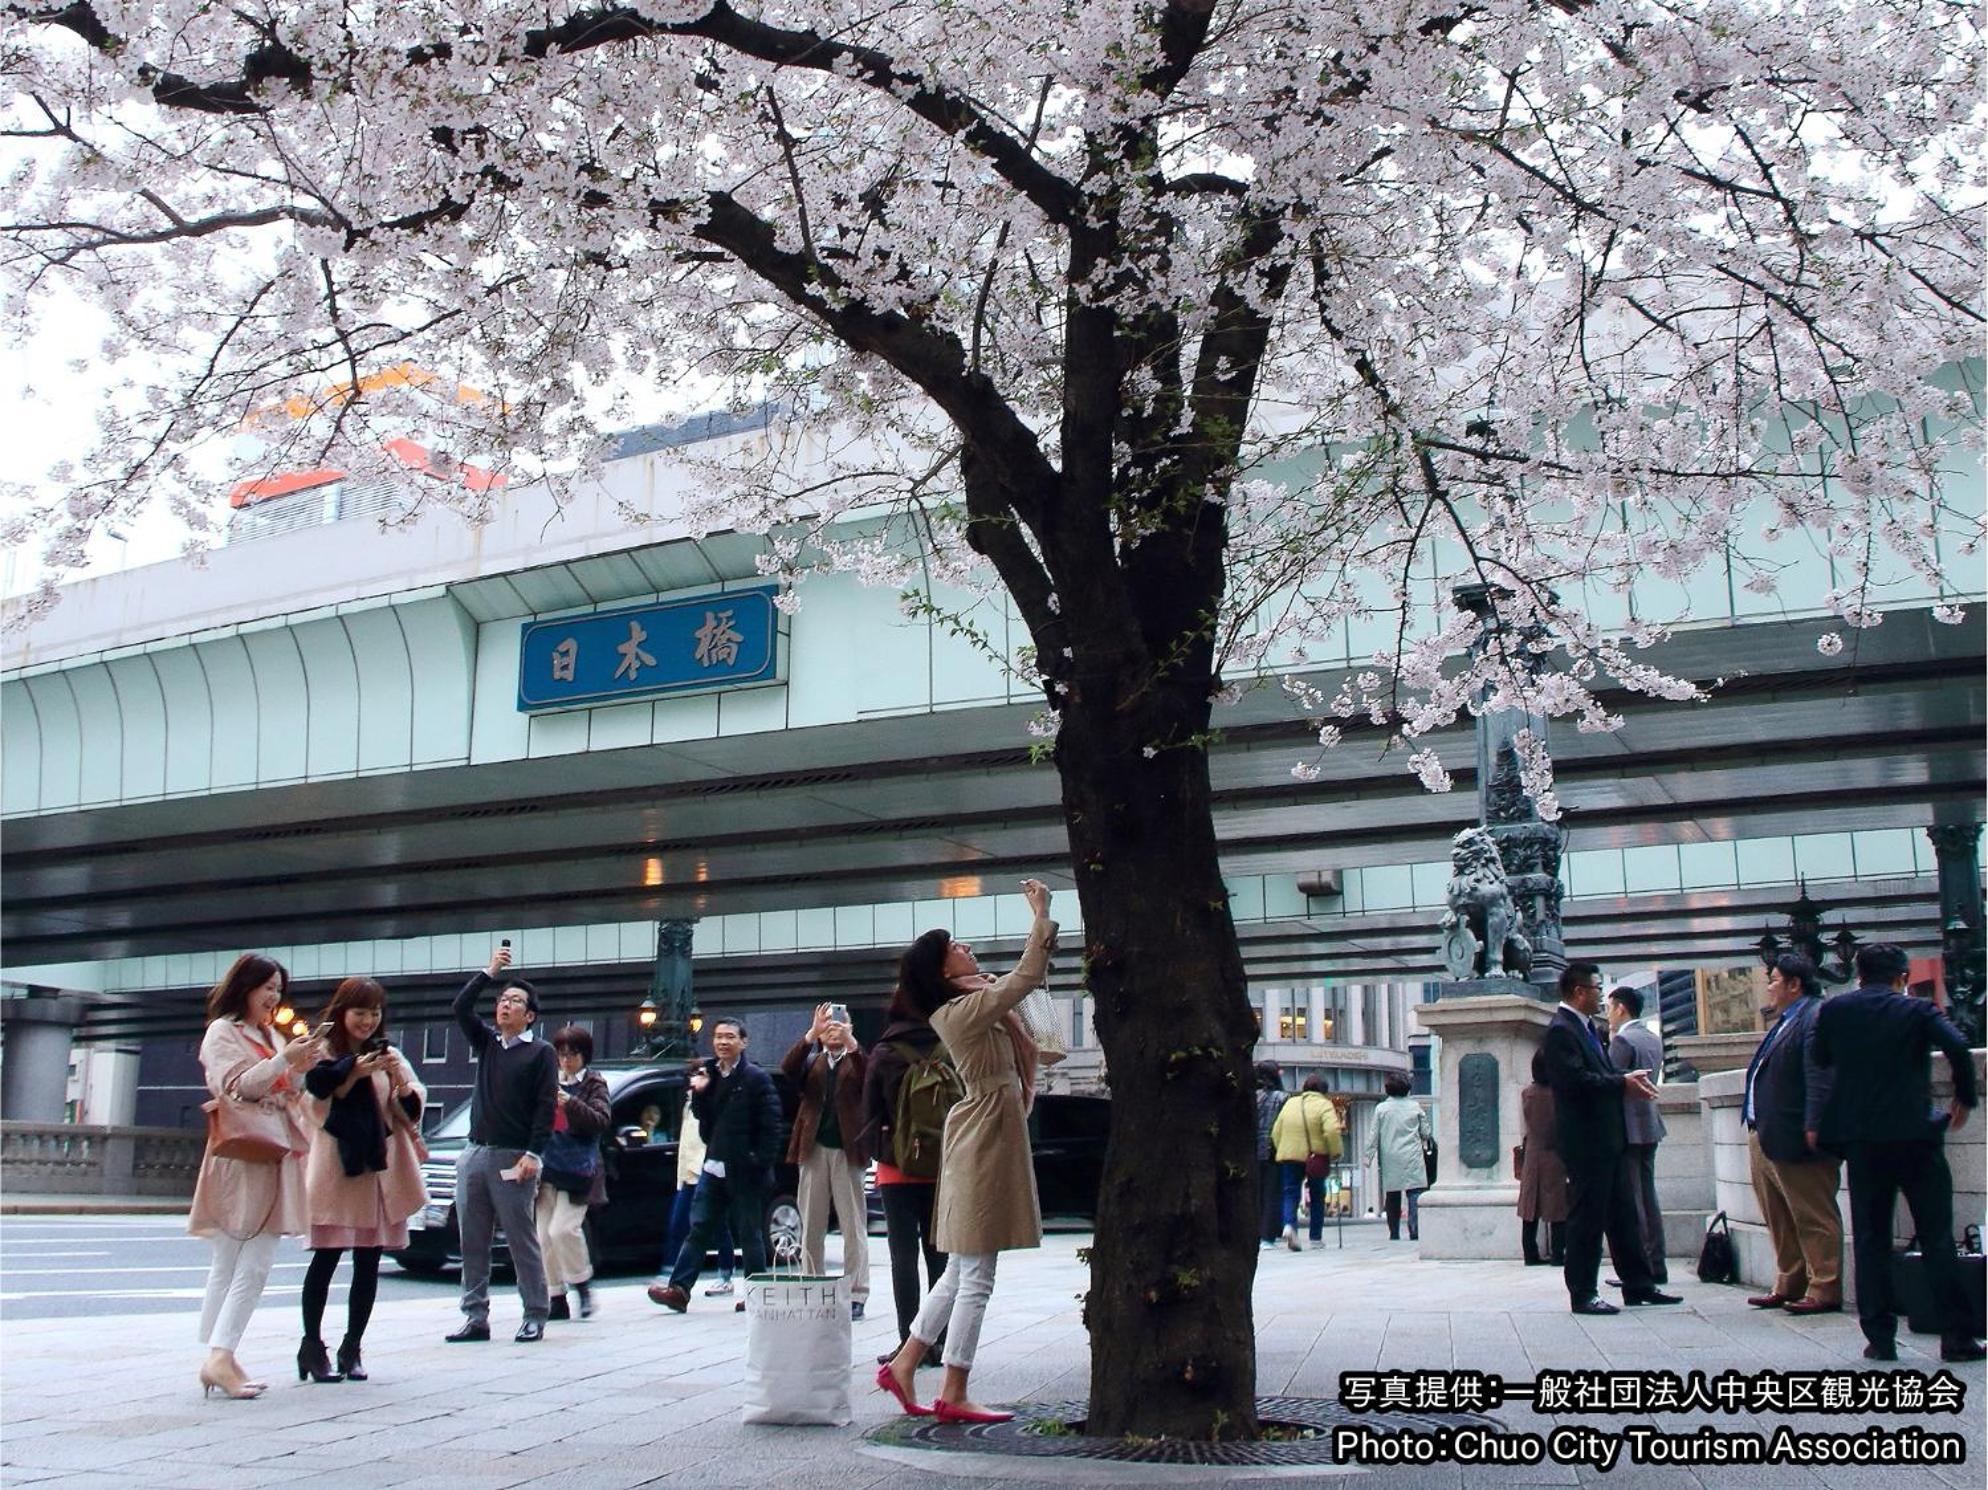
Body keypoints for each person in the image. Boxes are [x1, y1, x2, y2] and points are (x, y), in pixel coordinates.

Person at [878, 878, 1057, 1424]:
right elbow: (1029, 977)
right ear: (941, 972)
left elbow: (1025, 1004)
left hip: (988, 1128)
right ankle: (953, 1387)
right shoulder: (962, 1011)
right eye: (955, 946)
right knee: (977, 1270)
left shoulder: (975, 1003)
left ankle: (906, 1364)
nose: (966, 947)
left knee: (960, 1268)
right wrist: (1041, 915)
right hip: (984, 1133)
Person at [1812, 942, 1983, 1362]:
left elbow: (1820, 1057)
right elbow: (1958, 1047)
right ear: (1903, 977)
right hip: (1915, 1136)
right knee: (1937, 1236)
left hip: (1862, 1140)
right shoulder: (1916, 1011)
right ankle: (1957, 1338)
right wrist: (1963, 1096)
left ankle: (1880, 1338)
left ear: (1860, 974)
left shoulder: (1835, 1011)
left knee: (1870, 1238)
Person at [188, 953, 321, 1399]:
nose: (273, 997)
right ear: (244, 987)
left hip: (272, 1151)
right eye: (267, 988)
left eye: (279, 991)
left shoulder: (270, 1034)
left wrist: (300, 1065)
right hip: (242, 1154)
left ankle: (218, 1356)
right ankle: (220, 1356)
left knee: (231, 1262)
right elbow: (238, 1086)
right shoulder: (222, 1032)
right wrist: (285, 1059)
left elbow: (289, 1089)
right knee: (251, 1261)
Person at [298, 976, 426, 1383]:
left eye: (374, 1013)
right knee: (327, 1256)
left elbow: (410, 1107)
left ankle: (352, 1347)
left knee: (368, 1260)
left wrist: (399, 1079)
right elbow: (312, 1106)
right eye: (360, 1012)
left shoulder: (388, 1053)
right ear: (341, 1012)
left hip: (378, 1169)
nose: (368, 1021)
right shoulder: (320, 1051)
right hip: (338, 1167)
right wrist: (352, 1072)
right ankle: (312, 1346)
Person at [1540, 961, 1679, 1314]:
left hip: (1608, 1138)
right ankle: (1583, 1292)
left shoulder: (1587, 1028)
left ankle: (1639, 1285)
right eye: (1597, 988)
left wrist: (1623, 1076)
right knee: (1587, 1218)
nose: (1602, 996)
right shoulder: (1561, 1031)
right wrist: (1621, 1083)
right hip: (1586, 1141)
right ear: (1578, 992)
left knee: (1624, 1214)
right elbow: (1574, 1082)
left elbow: (1597, 1073)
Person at [446, 944, 558, 1344]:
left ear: (529, 1016)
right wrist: (489, 972)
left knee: (519, 1237)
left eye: (515, 1001)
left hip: (514, 1157)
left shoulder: (541, 1053)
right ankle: (475, 1315)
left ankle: (535, 1313)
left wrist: (534, 1154)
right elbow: (461, 1008)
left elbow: (546, 1108)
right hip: (474, 1152)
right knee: (471, 1239)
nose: (505, 1006)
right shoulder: (489, 1044)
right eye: (502, 999)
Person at [647, 1016, 783, 1313]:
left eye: (730, 1037)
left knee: (750, 1233)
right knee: (698, 1228)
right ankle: (679, 1289)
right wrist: (700, 1093)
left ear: (743, 1042)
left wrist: (757, 1161)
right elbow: (704, 1120)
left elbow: (772, 1127)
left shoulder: (756, 1078)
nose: (723, 1042)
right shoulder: (708, 1072)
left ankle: (757, 1294)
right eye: (719, 1036)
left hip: (745, 1169)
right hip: (714, 1165)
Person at [1741, 954, 1842, 1315]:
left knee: (1812, 1212)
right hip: (1766, 1132)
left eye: (1774, 979)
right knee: (1779, 1214)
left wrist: (1815, 1124)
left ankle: (1824, 1286)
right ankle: (1789, 1281)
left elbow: (1821, 1075)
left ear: (1794, 984)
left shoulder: (1815, 1016)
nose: (1769, 986)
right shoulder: (1785, 1021)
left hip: (1798, 1133)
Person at [864, 982, 958, 1366]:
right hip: (942, 1166)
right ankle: (939, 1343)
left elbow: (868, 1111)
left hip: (896, 1168)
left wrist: (885, 1149)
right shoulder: (948, 1047)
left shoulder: (885, 1052)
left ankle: (909, 1344)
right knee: (940, 1258)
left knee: (903, 1258)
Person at [779, 1002, 872, 1318]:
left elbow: (869, 1077)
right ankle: (812, 1284)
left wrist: (852, 1044)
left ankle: (856, 1291)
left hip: (848, 1150)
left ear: (849, 1029)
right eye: (828, 1027)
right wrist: (810, 1034)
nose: (833, 1031)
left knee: (853, 1224)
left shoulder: (856, 1060)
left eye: (839, 1026)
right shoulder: (813, 1062)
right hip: (813, 1147)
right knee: (811, 1223)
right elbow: (787, 1069)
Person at [538, 1024, 610, 1322]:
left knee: (563, 1229)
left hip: (579, 1169)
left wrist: (571, 1103)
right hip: (546, 1165)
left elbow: (600, 1120)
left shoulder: (594, 1083)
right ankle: (556, 1296)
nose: (566, 1061)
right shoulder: (549, 1080)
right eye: (562, 1055)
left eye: (573, 1055)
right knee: (543, 1235)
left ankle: (581, 1283)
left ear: (584, 1055)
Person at [1607, 986, 1669, 1284]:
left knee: (1633, 1199)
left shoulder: (1622, 1040)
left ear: (1620, 1008)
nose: (1608, 1014)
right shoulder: (1652, 1038)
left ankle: (1640, 1266)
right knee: (1649, 1195)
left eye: (1610, 1007)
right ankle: (1657, 1262)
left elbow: (1611, 1082)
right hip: (1649, 1122)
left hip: (1627, 1127)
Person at [659, 1076, 739, 1299]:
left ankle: (724, 1275)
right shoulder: (689, 1105)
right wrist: (681, 1176)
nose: (695, 1081)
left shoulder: (712, 1103)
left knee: (717, 1226)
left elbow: (708, 1139)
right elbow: (685, 1146)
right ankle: (673, 1278)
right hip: (689, 1174)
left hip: (708, 1171)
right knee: (683, 1224)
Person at [1271, 1076, 1341, 1250]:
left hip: (1289, 1156)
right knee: (1317, 1195)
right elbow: (1331, 1130)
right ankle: (1315, 1237)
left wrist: (1283, 1148)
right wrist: (1335, 1152)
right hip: (1315, 1156)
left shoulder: (1290, 1103)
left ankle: (1289, 1225)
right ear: (1324, 1090)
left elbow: (1276, 1131)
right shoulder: (1324, 1105)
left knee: (1290, 1193)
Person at [1516, 1049, 1569, 1267]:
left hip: (1532, 1152)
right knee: (1558, 1207)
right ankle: (1558, 1253)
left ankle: (1530, 1252)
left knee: (1530, 1206)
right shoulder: (1560, 1094)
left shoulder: (1527, 1093)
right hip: (1555, 1153)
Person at [1367, 1074, 1432, 1242]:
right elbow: (1426, 1133)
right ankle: (1414, 1229)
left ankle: (1394, 1231)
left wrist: (1368, 1156)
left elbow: (1373, 1135)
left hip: (1390, 1156)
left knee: (1392, 1194)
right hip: (1412, 1154)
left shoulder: (1381, 1109)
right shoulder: (1415, 1107)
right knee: (1415, 1192)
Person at [1254, 1062, 1287, 1248]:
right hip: (1273, 1149)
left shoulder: (1251, 1097)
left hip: (1252, 1150)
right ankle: (1268, 1234)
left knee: (1256, 1193)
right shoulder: (1282, 1098)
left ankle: (1256, 1232)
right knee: (1272, 1193)